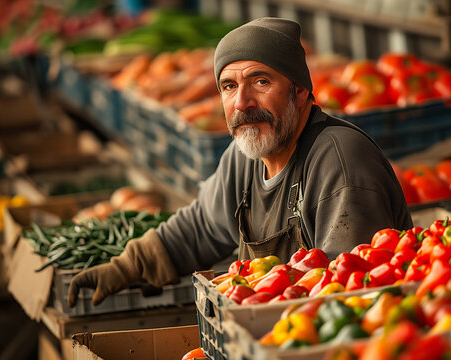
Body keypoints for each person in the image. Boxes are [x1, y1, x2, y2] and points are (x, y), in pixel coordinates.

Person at [67, 17, 412, 307]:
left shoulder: (340, 162)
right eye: (229, 86)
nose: (242, 102)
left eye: (261, 81)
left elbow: (348, 294)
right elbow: (201, 226)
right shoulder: (244, 155)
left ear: (301, 91)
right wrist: (125, 267)